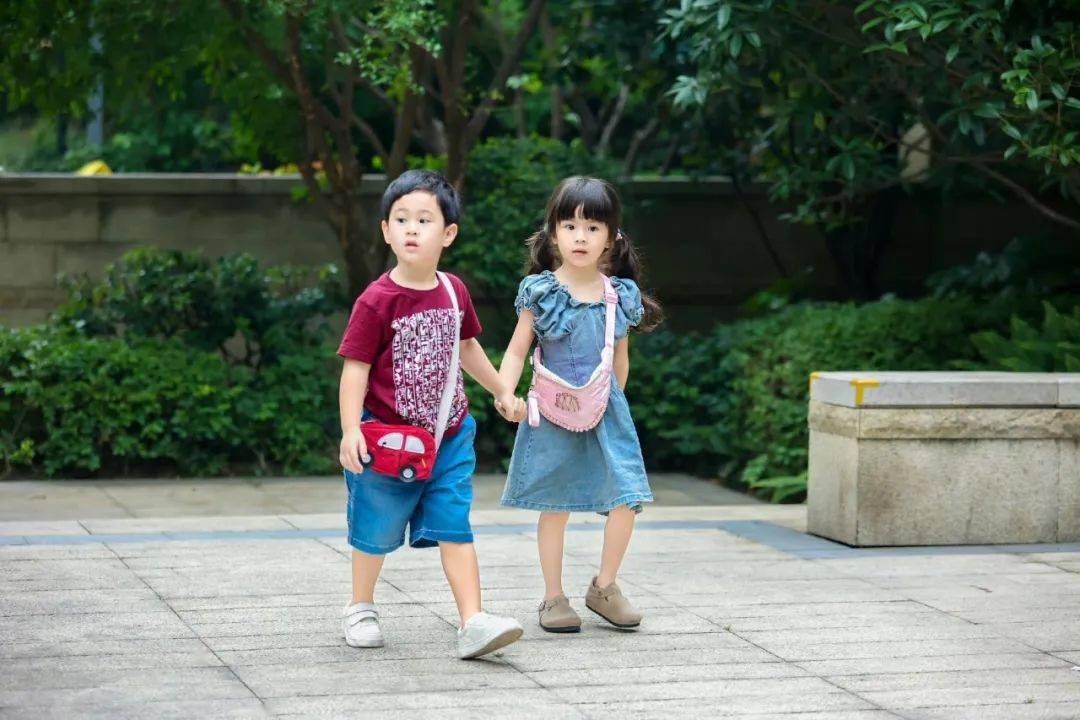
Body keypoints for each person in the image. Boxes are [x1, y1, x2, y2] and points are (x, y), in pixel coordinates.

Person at [337, 169, 526, 659]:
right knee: (376, 527)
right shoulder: (376, 301)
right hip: (387, 441)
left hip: (450, 436)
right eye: (401, 219)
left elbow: (468, 348)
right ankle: (360, 605)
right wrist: (350, 429)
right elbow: (355, 369)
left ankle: (473, 620)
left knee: (453, 522)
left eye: (424, 220)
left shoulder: (453, 290)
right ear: (386, 231)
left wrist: (502, 390)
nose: (412, 229)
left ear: (448, 233)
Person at [498, 176, 662, 634]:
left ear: (612, 237)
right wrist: (505, 391)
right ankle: (553, 597)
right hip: (553, 412)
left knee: (627, 497)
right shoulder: (542, 291)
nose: (580, 237)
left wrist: (613, 405)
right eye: (569, 226)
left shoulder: (619, 295)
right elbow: (516, 350)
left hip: (608, 412)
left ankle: (605, 587)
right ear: (553, 233)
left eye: (592, 227)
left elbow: (620, 358)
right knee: (555, 504)